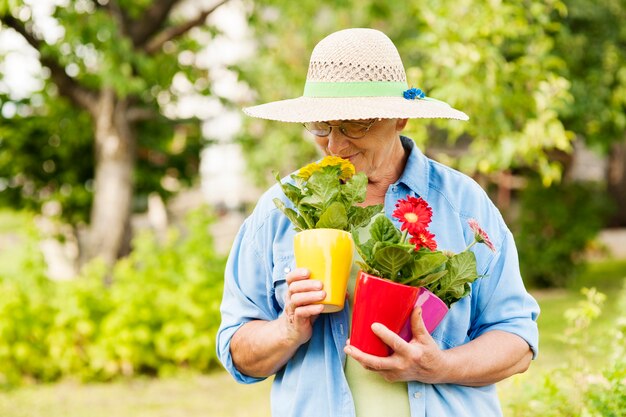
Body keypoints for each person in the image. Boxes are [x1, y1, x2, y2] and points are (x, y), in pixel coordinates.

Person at [216, 28, 539, 417]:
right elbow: (237, 351)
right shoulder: (281, 209)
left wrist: (438, 366)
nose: (335, 145)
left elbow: (517, 339)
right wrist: (285, 330)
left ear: (401, 116)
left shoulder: (463, 205)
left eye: (354, 124)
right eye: (323, 126)